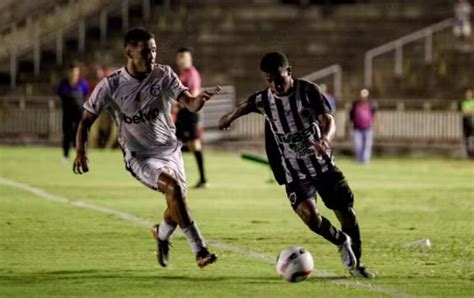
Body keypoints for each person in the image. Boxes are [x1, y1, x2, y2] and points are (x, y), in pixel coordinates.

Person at [218, 52, 374, 278]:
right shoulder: (265, 99)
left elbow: (327, 119)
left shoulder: (308, 91)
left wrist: (325, 139)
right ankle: (341, 241)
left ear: (289, 71)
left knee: (346, 214)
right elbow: (248, 104)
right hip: (294, 172)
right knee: (309, 216)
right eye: (269, 81)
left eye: (278, 79)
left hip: (323, 166)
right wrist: (230, 117)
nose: (275, 85)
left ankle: (356, 265)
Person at [72, 28, 220, 268]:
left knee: (177, 202)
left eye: (153, 50)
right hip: (140, 156)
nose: (152, 56)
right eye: (145, 51)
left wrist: (198, 101)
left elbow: (188, 103)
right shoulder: (112, 85)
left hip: (170, 150)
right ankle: (200, 249)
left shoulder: (164, 74)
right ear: (129, 52)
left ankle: (161, 235)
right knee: (173, 190)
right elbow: (86, 121)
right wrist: (81, 152)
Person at [175, 48, 208, 188]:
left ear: (189, 59)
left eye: (184, 57)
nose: (182, 59)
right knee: (173, 143)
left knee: (194, 145)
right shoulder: (180, 74)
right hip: (182, 113)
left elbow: (193, 95)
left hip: (190, 113)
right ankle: (175, 176)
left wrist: (177, 104)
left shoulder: (192, 74)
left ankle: (203, 179)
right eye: (180, 57)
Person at [57, 63, 89, 163]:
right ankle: (65, 156)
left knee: (80, 135)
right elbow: (60, 96)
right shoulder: (63, 84)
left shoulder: (83, 85)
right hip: (67, 114)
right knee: (67, 134)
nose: (74, 74)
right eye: (72, 72)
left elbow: (86, 97)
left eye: (76, 72)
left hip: (79, 114)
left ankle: (82, 156)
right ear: (69, 73)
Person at [349, 89, 377, 164]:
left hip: (368, 128)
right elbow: (351, 116)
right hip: (357, 128)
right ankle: (359, 160)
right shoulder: (355, 104)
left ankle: (365, 160)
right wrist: (350, 124)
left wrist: (376, 125)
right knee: (358, 145)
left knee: (367, 145)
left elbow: (373, 115)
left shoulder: (371, 104)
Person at [460, 88, 474, 158]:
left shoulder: (473, 102)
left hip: (472, 122)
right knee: (466, 137)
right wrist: (469, 112)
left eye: (469, 94)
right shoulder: (464, 103)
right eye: (467, 94)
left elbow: (472, 112)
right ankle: (469, 153)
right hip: (465, 122)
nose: (468, 95)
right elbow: (463, 113)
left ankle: (472, 152)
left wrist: (468, 112)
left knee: (471, 137)